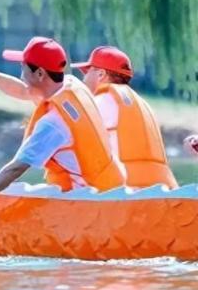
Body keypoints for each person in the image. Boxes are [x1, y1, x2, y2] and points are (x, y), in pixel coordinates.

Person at [0, 37, 126, 214]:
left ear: (40, 74)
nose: (21, 75)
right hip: (112, 190)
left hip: (96, 206)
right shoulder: (71, 85)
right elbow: (22, 90)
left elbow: (15, 168)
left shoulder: (53, 124)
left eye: (23, 68)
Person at [74, 46, 178, 188]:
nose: (84, 78)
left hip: (125, 190)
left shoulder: (100, 102)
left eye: (87, 72)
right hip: (162, 190)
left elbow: (68, 140)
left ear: (101, 74)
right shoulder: (143, 105)